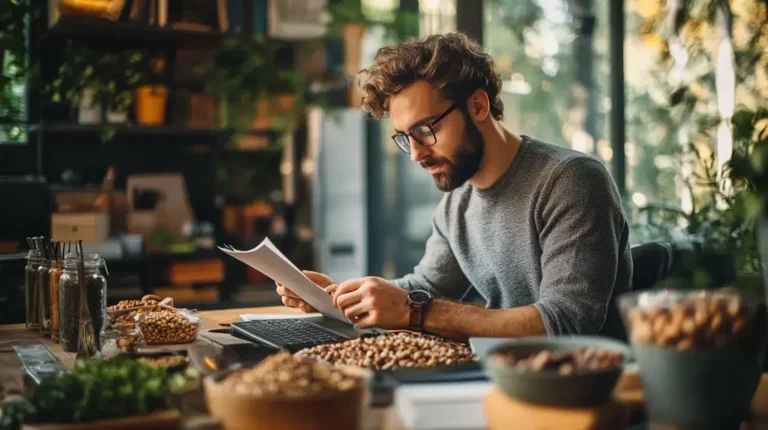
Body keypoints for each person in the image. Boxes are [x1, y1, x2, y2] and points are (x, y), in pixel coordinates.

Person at [277, 33, 632, 341]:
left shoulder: (571, 181)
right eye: (405, 138)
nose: (416, 154)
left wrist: (419, 313)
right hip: (495, 374)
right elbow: (425, 291)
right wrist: (337, 297)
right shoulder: (457, 204)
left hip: (576, 391)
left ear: (478, 105)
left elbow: (567, 322)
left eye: (426, 130)